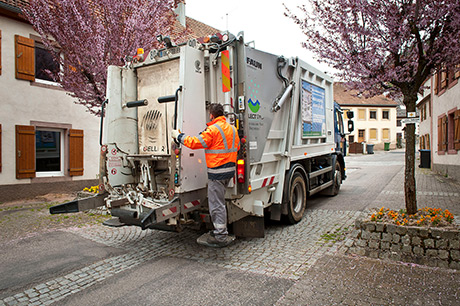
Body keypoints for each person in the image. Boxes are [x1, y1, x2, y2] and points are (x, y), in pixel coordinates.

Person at [171, 103, 239, 247]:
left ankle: (220, 235)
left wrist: (179, 136)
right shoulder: (232, 129)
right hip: (229, 172)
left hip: (217, 173)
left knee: (216, 204)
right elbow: (236, 147)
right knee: (219, 202)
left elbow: (195, 142)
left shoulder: (213, 130)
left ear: (211, 115)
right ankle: (220, 230)